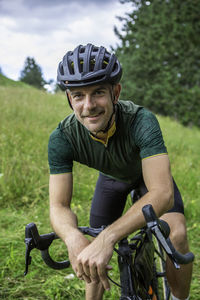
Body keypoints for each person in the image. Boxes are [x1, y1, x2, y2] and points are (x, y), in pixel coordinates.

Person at [48, 43, 192, 300]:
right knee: (88, 250)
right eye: (79, 95)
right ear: (70, 98)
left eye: (98, 93)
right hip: (112, 180)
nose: (88, 105)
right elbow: (58, 205)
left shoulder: (141, 120)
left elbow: (162, 193)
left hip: (148, 178)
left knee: (177, 235)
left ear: (116, 92)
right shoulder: (62, 138)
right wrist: (72, 237)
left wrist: (109, 237)